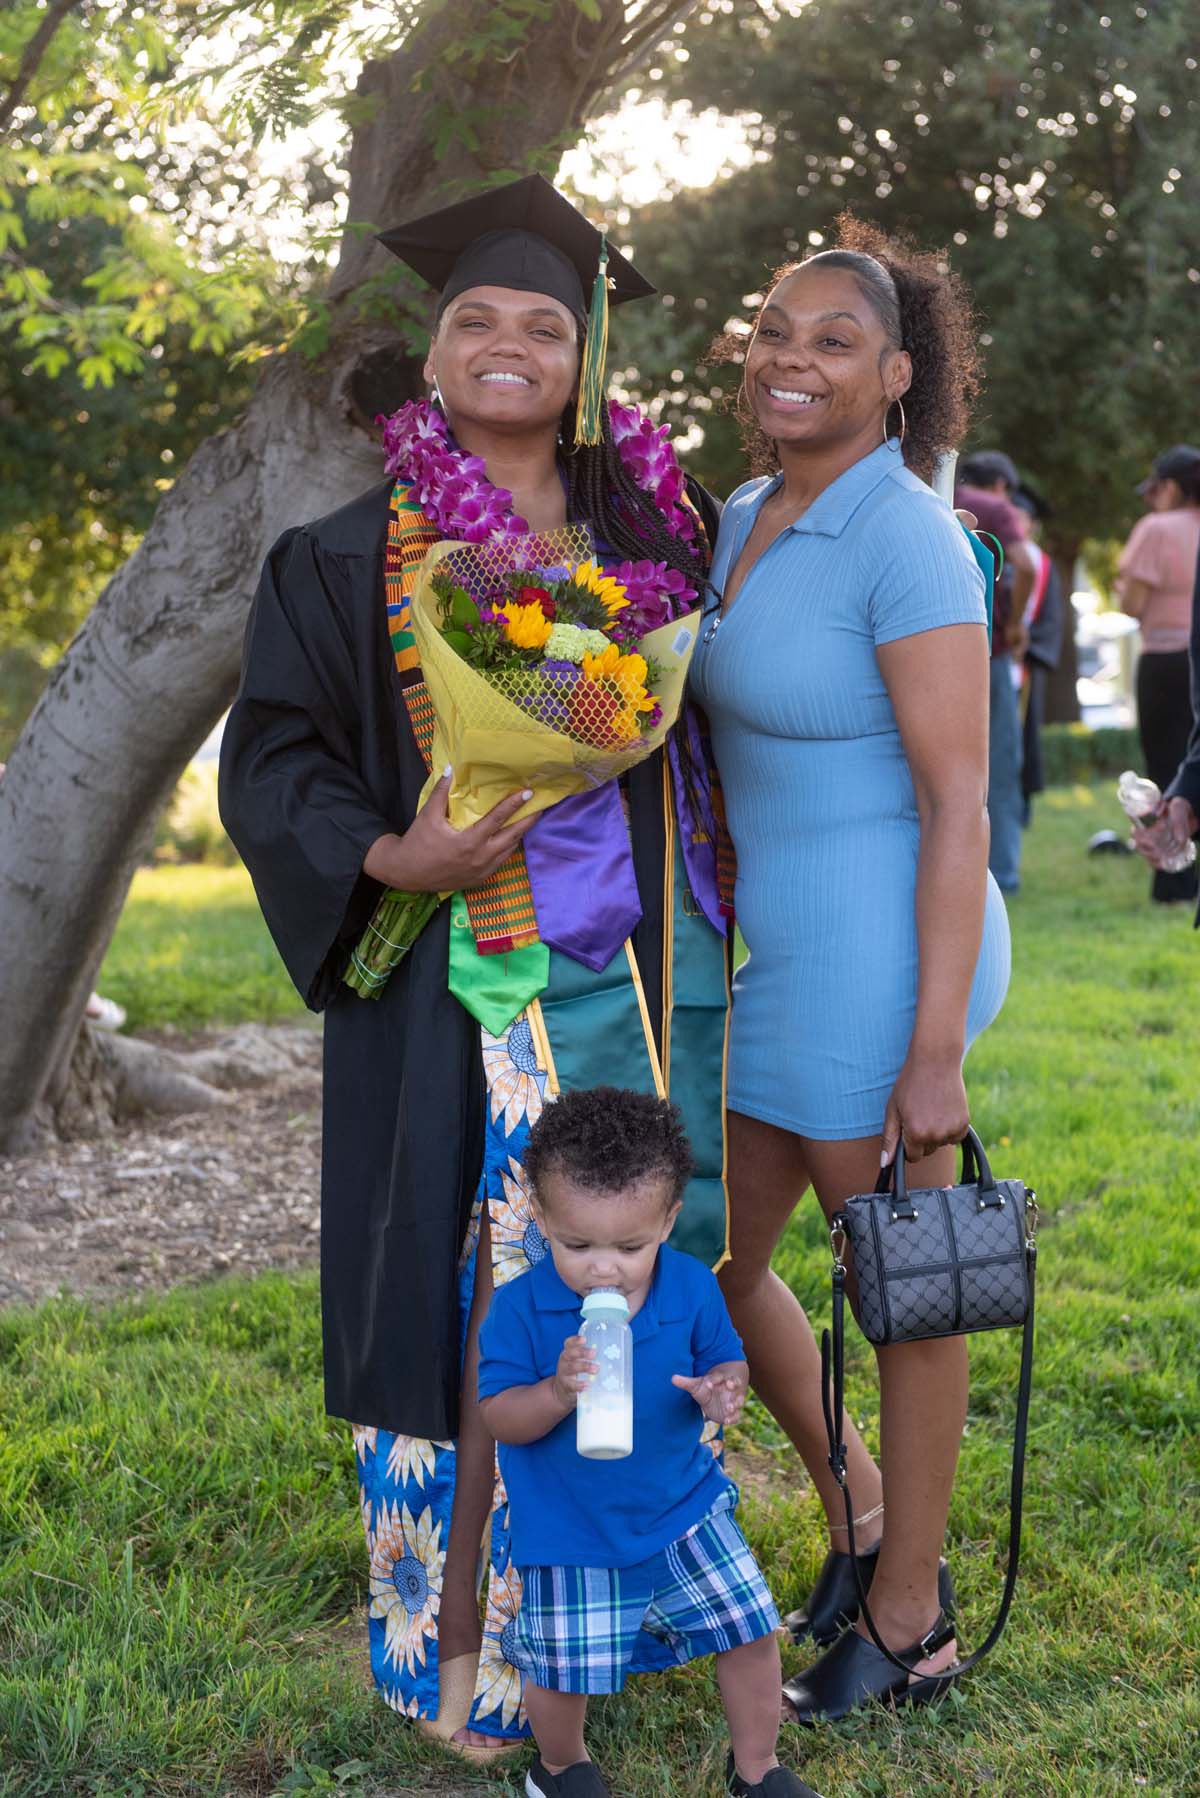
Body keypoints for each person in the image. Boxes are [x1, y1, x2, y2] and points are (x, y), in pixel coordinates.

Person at [218, 176, 731, 1759]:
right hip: (441, 983)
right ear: (434, 352)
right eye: (475, 319)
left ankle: (589, 1631)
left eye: (544, 323)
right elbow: (276, 756)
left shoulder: (656, 537)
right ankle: (443, 1650)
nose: (507, 343)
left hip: (614, 976)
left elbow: (692, 736)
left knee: (608, 1275)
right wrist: (394, 856)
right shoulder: (340, 556)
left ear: (584, 359)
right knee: (450, 1283)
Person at [689, 219, 1011, 1723]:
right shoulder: (744, 508)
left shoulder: (908, 535)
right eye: (773, 329)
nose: (790, 357)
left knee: (905, 1282)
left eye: (831, 339)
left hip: (890, 947)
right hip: (779, 952)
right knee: (715, 1258)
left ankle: (908, 1618)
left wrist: (932, 1049)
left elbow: (959, 804)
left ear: (897, 376)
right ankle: (860, 1505)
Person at [478, 1087, 823, 1798]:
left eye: (629, 1247)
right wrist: (555, 1392)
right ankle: (560, 1766)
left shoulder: (692, 1288)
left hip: (683, 1513)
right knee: (559, 1668)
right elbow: (498, 1417)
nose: (603, 1268)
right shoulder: (521, 1308)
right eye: (577, 1245)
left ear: (669, 1220)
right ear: (540, 1218)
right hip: (570, 1532)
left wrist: (724, 1388)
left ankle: (757, 1767)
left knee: (750, 1630)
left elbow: (727, 1360)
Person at [1117, 444, 1200, 904]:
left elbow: (1132, 603)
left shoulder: (1157, 529)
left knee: (1169, 766)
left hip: (1167, 660)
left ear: (1171, 487)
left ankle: (1175, 878)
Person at [954, 450, 1037, 893]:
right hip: (987, 651)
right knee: (1001, 766)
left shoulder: (926, 494)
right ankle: (1002, 872)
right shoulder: (995, 508)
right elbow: (1026, 563)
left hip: (920, 655)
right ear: (1002, 485)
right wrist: (1015, 622)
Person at [1012, 484, 1065, 826]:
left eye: (1022, 517)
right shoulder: (996, 551)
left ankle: (1023, 806)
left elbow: (1051, 617)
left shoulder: (1042, 563)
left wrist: (1028, 649)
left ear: (1032, 523)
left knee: (1024, 740)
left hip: (1025, 665)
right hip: (993, 661)